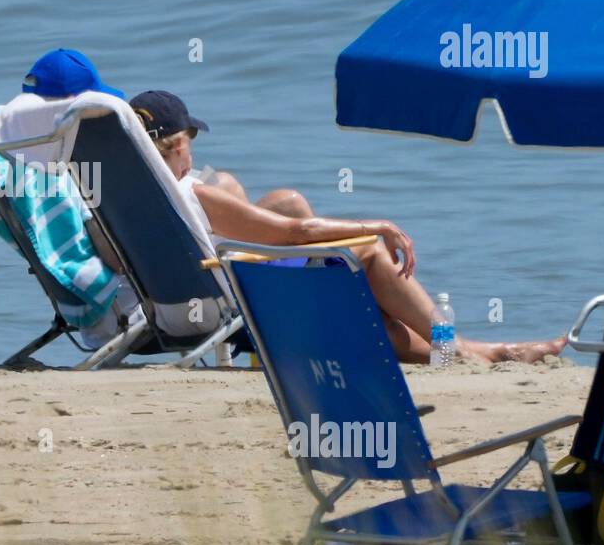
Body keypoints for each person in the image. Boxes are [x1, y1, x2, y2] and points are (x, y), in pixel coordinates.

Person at [129, 90, 567, 365]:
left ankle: (468, 350)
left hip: (184, 305)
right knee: (370, 254)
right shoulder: (190, 194)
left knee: (289, 200)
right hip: (241, 307)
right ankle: (465, 350)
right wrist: (376, 226)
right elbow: (294, 235)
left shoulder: (136, 193)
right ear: (180, 143)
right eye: (191, 142)